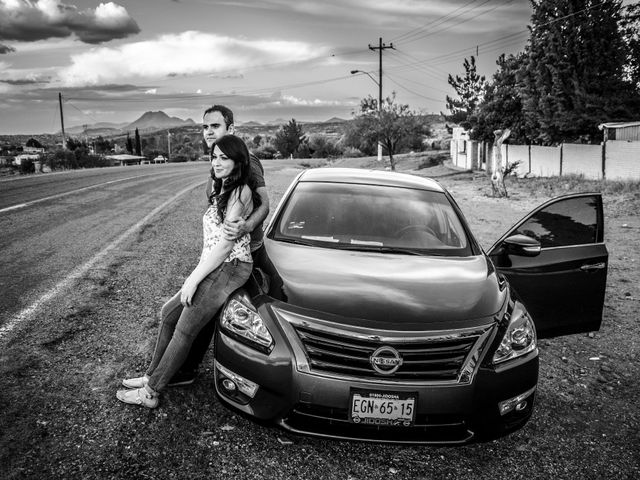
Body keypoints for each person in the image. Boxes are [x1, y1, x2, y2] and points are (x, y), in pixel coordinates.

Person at [116, 134, 260, 408]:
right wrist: (195, 274)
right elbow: (212, 246)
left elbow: (224, 246)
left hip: (229, 267)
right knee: (168, 315)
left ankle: (151, 393)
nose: (216, 162)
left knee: (184, 330)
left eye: (224, 157)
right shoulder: (224, 187)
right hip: (216, 264)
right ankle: (151, 377)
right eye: (214, 156)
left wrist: (193, 279)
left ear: (238, 161)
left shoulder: (241, 192)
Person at [167, 105, 270, 386]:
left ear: (231, 129)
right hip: (222, 253)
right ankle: (183, 370)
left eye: (216, 126)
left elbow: (265, 203)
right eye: (205, 127)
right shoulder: (218, 163)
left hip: (245, 253)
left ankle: (249, 375)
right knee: (205, 310)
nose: (209, 132)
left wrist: (246, 227)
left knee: (247, 315)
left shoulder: (246, 160)